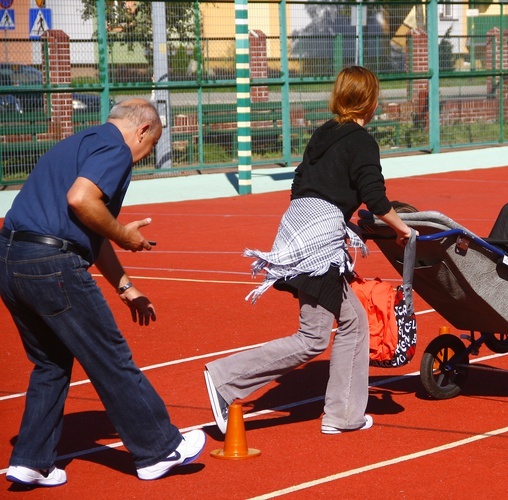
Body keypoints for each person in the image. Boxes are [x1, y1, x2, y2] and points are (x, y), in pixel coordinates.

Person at [0, 98, 206, 487]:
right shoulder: (115, 147)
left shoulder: (77, 142)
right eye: (148, 148)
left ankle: (32, 459)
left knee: (51, 362)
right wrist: (124, 233)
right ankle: (159, 449)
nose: (143, 157)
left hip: (11, 259)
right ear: (142, 130)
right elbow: (81, 201)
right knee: (108, 356)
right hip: (50, 264)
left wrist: (125, 287)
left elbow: (91, 225)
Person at [203, 66, 412, 435]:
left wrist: (332, 218)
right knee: (314, 336)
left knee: (353, 322)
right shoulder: (361, 140)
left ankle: (343, 414)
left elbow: (302, 181)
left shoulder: (324, 133)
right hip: (318, 238)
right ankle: (226, 379)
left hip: (298, 225)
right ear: (371, 102)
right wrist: (402, 229)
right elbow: (376, 197)